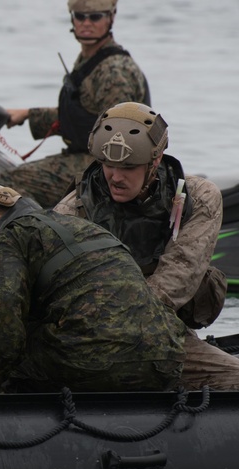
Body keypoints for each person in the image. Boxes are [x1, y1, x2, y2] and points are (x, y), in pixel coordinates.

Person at [54, 102, 239, 390]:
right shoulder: (72, 211)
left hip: (160, 328)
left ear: (155, 160)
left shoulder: (196, 198)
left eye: (128, 167)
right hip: (93, 337)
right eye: (108, 165)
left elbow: (178, 277)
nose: (115, 176)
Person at [0, 183, 187, 393]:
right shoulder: (83, 226)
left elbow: (3, 316)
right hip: (165, 360)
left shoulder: (10, 237)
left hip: (93, 362)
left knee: (15, 358)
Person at [0, 0, 149, 208]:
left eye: (95, 17)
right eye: (79, 16)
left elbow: (119, 138)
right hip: (88, 157)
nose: (86, 23)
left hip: (106, 166)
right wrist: (28, 115)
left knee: (4, 184)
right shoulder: (90, 59)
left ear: (111, 17)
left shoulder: (115, 71)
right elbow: (84, 115)